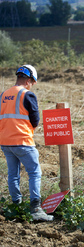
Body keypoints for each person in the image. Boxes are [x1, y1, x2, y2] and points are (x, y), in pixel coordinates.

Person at [0, 65, 53, 221]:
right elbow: (35, 119)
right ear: (29, 80)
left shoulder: (3, 95)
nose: (32, 86)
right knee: (35, 173)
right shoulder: (27, 95)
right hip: (23, 141)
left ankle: (16, 206)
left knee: (13, 174)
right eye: (33, 83)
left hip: (5, 142)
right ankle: (36, 209)